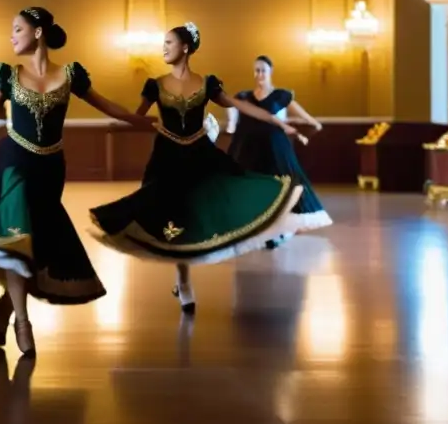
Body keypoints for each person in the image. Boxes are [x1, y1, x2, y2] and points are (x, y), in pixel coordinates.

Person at [0, 7, 155, 357]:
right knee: (16, 235)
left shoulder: (71, 75)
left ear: (37, 32)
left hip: (51, 167)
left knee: (37, 244)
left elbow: (107, 106)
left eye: (17, 29)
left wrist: (140, 122)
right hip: (13, 162)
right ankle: (22, 323)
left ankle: (4, 307)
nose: (11, 35)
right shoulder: (7, 75)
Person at [88, 23, 306, 315]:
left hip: (199, 154)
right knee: (172, 217)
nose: (163, 47)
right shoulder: (156, 84)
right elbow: (135, 116)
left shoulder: (207, 84)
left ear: (186, 48)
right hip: (166, 158)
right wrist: (118, 122)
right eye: (163, 43)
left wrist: (277, 122)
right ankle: (183, 280)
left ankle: (184, 279)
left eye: (169, 42)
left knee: (195, 214)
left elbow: (240, 107)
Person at [226, 55, 331, 245]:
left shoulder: (280, 95)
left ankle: (281, 230)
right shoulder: (244, 96)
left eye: (263, 70)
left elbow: (302, 114)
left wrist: (313, 124)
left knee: (280, 186)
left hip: (275, 148)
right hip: (249, 149)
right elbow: (232, 111)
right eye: (256, 70)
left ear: (270, 72)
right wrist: (231, 124)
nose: (259, 74)